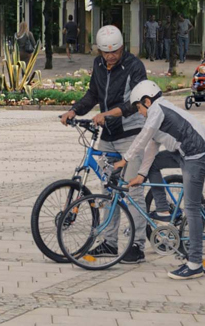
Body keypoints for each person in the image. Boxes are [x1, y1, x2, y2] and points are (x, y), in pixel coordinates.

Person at [59, 25, 148, 264]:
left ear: (122, 47)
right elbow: (93, 95)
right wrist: (73, 110)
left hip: (131, 134)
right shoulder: (99, 66)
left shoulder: (134, 66)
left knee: (133, 189)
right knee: (108, 191)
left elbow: (136, 102)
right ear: (99, 51)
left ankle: (138, 245)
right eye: (106, 52)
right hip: (108, 136)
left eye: (115, 51)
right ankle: (109, 243)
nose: (110, 56)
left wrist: (108, 114)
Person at [113, 81, 205, 280]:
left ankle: (195, 264)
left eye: (138, 107)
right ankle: (163, 210)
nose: (139, 112)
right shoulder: (158, 112)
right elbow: (151, 146)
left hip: (198, 156)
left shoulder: (157, 109)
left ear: (147, 101)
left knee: (192, 208)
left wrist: (125, 158)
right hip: (184, 154)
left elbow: (143, 137)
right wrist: (141, 175)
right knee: (151, 164)